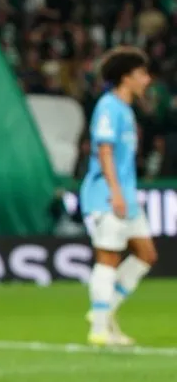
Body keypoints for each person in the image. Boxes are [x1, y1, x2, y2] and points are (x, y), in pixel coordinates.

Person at [80, 46, 158, 347]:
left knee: (146, 254)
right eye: (142, 74)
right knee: (108, 257)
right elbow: (104, 149)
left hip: (126, 194)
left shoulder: (125, 109)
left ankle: (104, 310)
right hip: (106, 194)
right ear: (126, 78)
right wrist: (114, 192)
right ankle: (99, 328)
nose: (147, 80)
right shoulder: (108, 107)